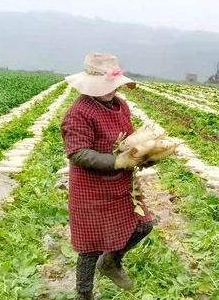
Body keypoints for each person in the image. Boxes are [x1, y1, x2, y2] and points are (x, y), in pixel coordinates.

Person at [60, 53, 153, 300]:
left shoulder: (120, 105)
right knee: (90, 247)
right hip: (91, 188)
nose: (113, 90)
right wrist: (117, 161)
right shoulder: (78, 112)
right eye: (107, 86)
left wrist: (144, 155)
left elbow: (130, 139)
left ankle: (111, 262)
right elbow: (78, 153)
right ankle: (84, 294)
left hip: (122, 184)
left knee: (143, 225)